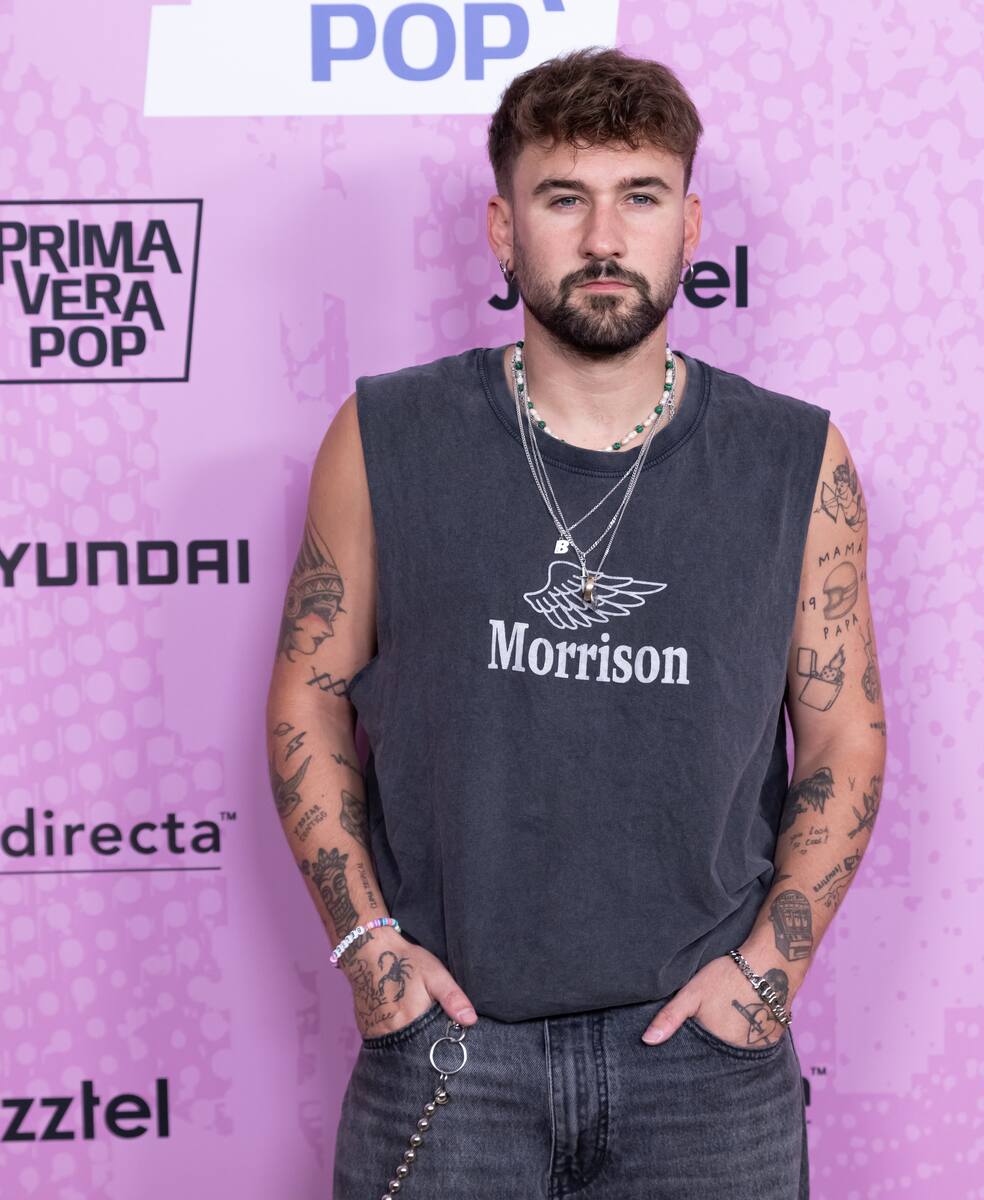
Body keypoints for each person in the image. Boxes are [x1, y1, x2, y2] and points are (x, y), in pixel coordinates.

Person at [264, 45, 886, 1200]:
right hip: (449, 1050)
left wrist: (769, 971)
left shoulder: (795, 460)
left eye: (640, 197)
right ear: (503, 232)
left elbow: (844, 735)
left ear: (689, 226)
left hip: (705, 1069)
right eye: (564, 199)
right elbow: (311, 687)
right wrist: (365, 948)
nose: (605, 238)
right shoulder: (387, 436)